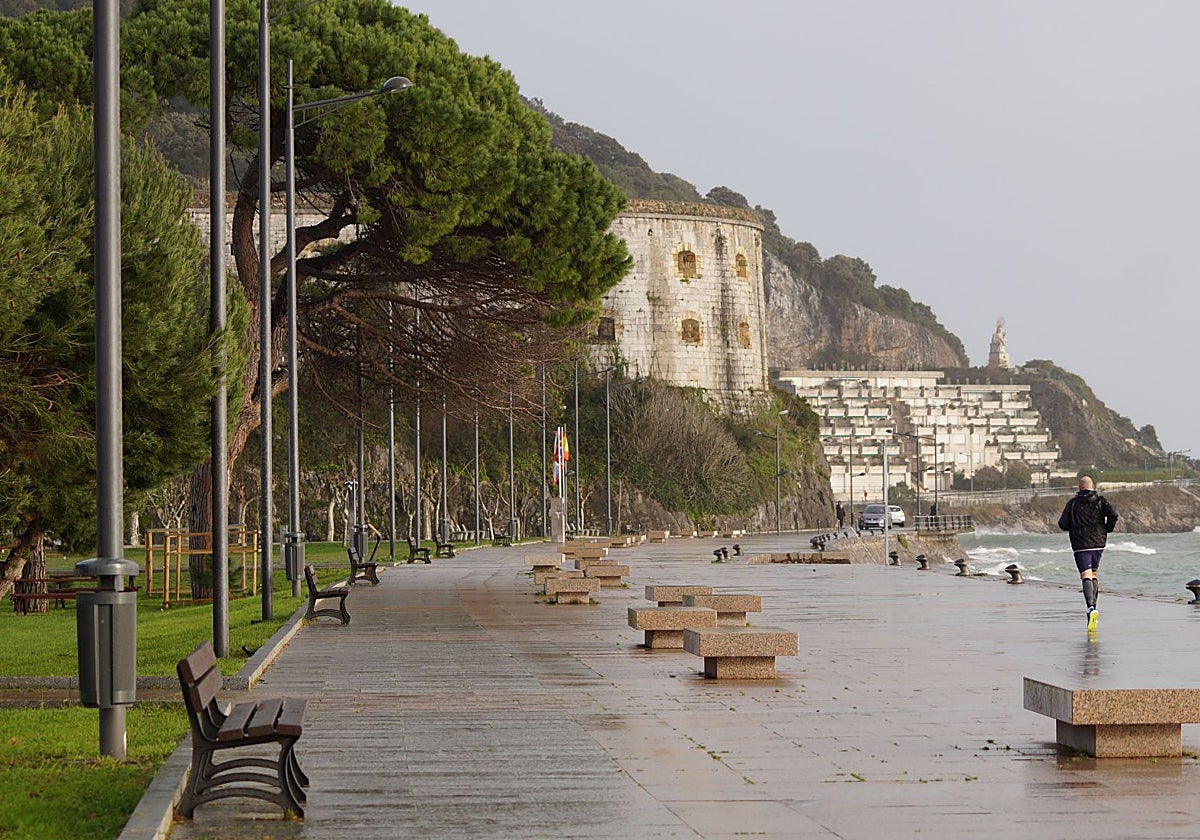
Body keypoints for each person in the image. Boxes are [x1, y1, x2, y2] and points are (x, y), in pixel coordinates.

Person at [1058, 475, 1118, 631]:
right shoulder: (1101, 501)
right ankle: (1094, 608)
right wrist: (1107, 528)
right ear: (1093, 487)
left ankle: (1091, 608)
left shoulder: (1072, 503)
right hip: (1098, 543)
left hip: (1080, 544)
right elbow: (1113, 515)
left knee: (1086, 575)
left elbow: (1062, 524)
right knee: (1094, 573)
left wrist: (1074, 526)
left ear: (1079, 488)